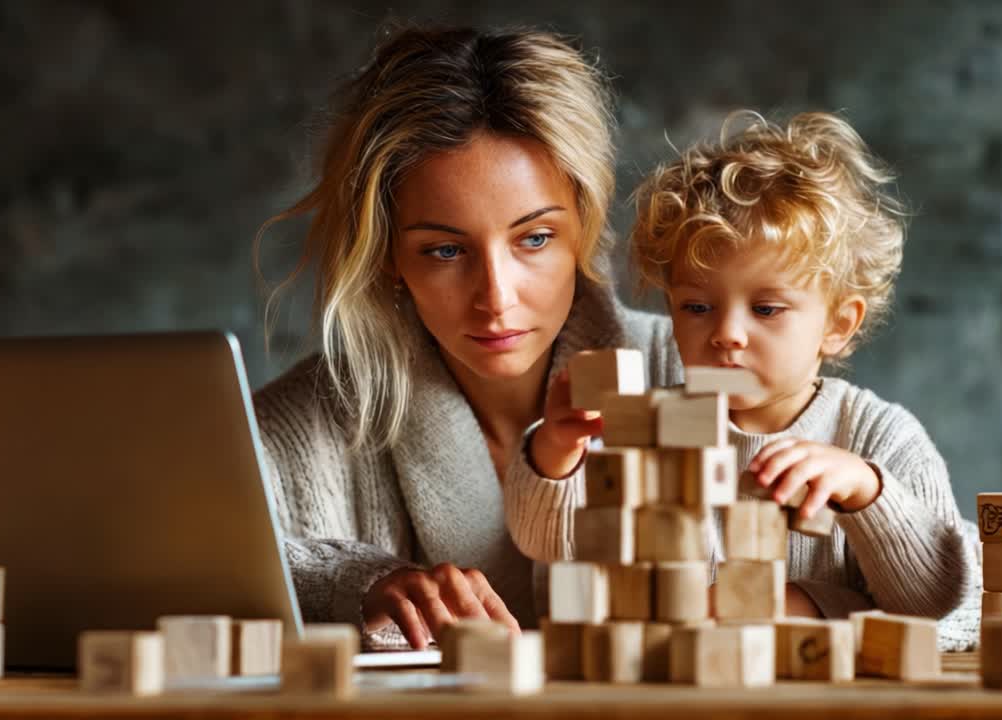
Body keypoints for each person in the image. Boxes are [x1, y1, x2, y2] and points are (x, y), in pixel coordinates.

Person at [252, 25, 681, 651]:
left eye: (534, 238)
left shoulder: (695, 373)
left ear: (584, 226)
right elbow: (163, 565)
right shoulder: (309, 420)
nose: (496, 298)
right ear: (388, 255)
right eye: (446, 250)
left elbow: (849, 578)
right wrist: (352, 583)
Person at [512, 110, 982, 650]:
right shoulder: (649, 423)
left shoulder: (880, 437)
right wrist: (555, 451)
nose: (726, 333)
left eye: (765, 309)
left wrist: (866, 496)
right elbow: (550, 546)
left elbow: (945, 603)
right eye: (696, 306)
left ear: (837, 323)